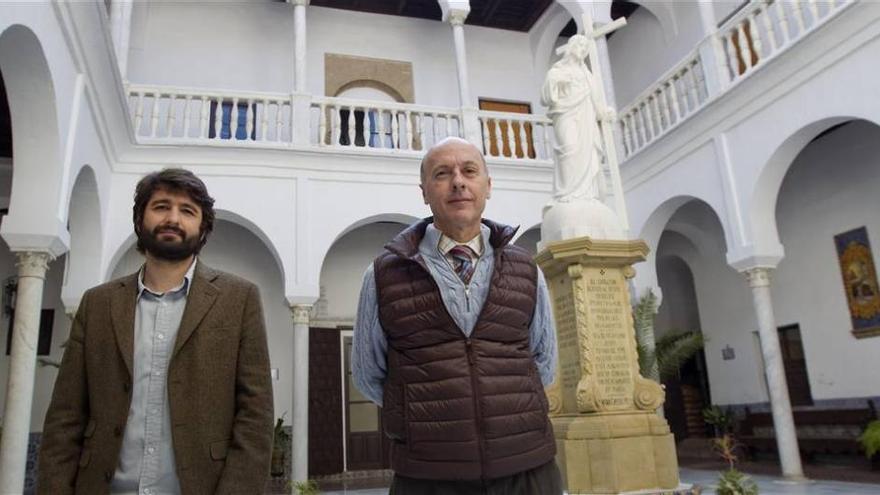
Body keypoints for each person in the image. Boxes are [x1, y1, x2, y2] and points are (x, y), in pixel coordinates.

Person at [38, 169, 274, 495]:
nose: (173, 218)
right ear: (140, 219)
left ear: (203, 228)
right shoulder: (98, 304)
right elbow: (65, 416)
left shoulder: (240, 298)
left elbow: (256, 417)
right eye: (161, 206)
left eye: (187, 211)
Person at [352, 137, 562, 494]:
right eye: (442, 173)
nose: (458, 182)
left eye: (469, 171)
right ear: (424, 191)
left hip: (525, 468)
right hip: (428, 476)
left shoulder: (526, 269)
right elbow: (369, 374)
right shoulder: (383, 275)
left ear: (487, 185)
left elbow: (544, 361)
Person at [541, 34, 609, 203]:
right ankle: (567, 193)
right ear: (571, 47)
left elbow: (596, 100)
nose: (583, 50)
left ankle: (585, 193)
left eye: (585, 48)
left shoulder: (587, 75)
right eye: (580, 46)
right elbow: (545, 97)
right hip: (565, 115)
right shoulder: (557, 71)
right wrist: (557, 82)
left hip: (586, 118)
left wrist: (604, 112)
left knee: (586, 152)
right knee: (569, 148)